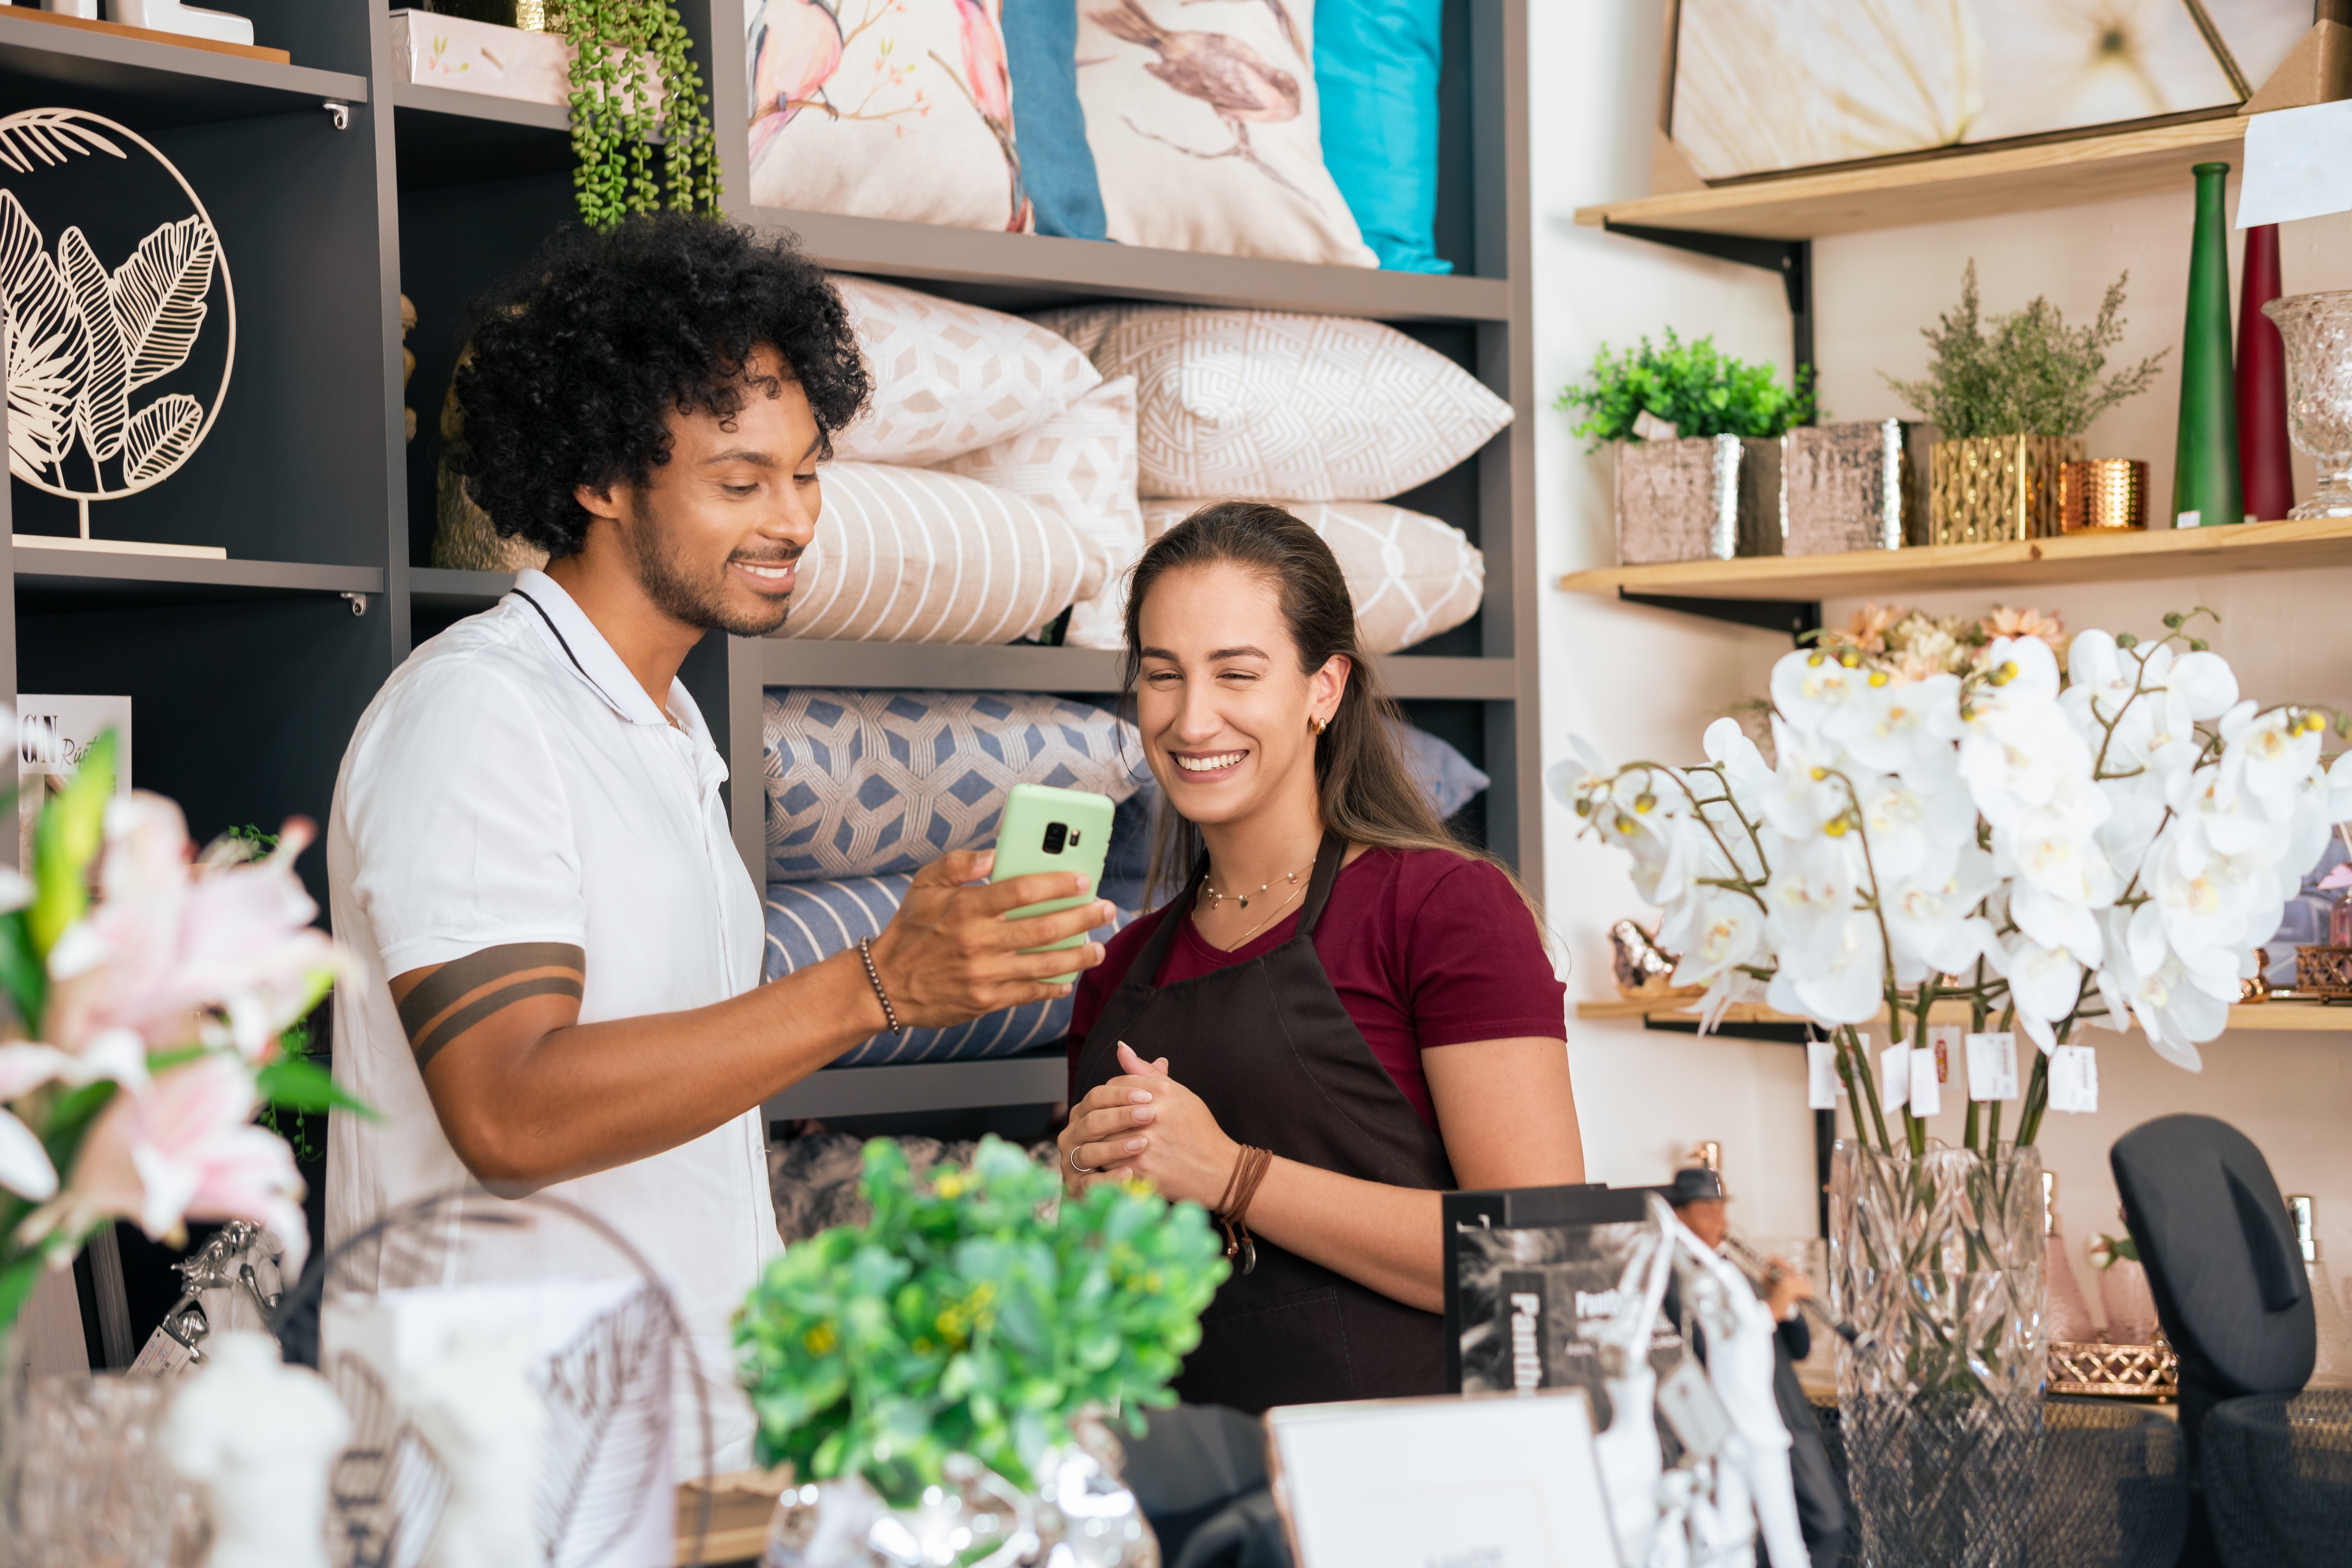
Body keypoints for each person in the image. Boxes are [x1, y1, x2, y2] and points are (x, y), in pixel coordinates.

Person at [326, 214, 1118, 1469]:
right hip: (504, 1480)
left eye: (806, 472)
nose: (793, 520)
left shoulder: (665, 727)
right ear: (599, 477)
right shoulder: (479, 711)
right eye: (739, 481)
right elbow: (510, 1111)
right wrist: (872, 984)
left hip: (677, 1453)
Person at [1057, 501, 1584, 1412]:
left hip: (1413, 1490)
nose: (1191, 719)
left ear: (1323, 688)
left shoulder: (1441, 909)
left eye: (1237, 673)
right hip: (1192, 1494)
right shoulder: (1121, 966)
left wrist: (1231, 1173)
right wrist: (1075, 1197)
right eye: (1161, 675)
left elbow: (1540, 1260)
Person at [1667, 1168, 1847, 1568]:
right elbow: (1709, 1345)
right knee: (1771, 1533)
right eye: (1706, 1211)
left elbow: (1797, 1348)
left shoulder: (1734, 1270)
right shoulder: (1679, 1280)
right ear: (1679, 1217)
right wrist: (1774, 1305)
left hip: (1786, 1415)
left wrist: (1787, 1301)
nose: (1720, 1222)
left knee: (1824, 1522)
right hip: (1737, 1422)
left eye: (1721, 1210)